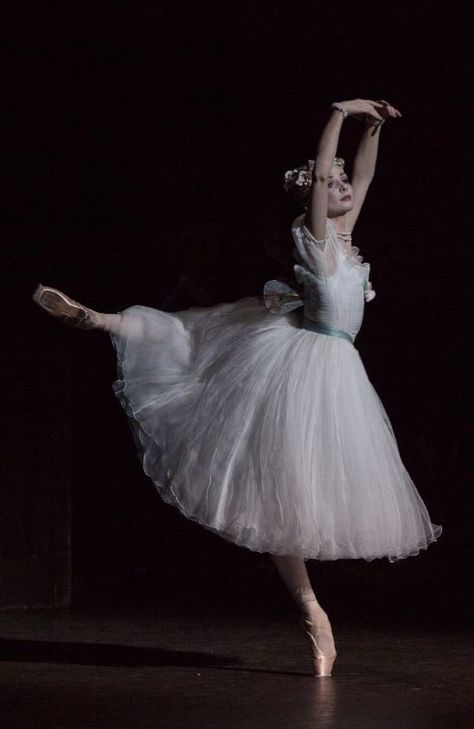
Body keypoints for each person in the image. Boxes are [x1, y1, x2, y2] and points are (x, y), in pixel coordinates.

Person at [33, 98, 442, 677]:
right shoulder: (315, 232)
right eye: (334, 183)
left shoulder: (345, 238)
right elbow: (328, 170)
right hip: (302, 365)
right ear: (316, 197)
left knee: (298, 492)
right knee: (199, 343)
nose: (345, 184)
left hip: (336, 367)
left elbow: (366, 172)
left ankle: (314, 616)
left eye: (345, 181)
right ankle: (104, 320)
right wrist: (337, 114)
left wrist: (371, 129)